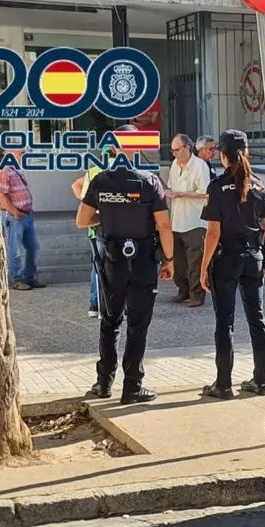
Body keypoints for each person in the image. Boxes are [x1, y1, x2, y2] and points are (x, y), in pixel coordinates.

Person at [76, 125, 176, 405]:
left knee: (110, 321)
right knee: (137, 325)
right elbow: (164, 226)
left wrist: (105, 219)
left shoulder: (100, 180)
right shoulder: (149, 181)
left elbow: (82, 220)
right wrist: (169, 260)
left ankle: (103, 383)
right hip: (143, 260)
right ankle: (132, 386)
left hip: (113, 260)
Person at [199, 129, 265, 399]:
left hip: (227, 259)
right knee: (258, 320)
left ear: (222, 155)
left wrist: (203, 267)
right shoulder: (257, 185)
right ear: (245, 153)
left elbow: (213, 233)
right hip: (253, 257)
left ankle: (223, 384)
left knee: (225, 322)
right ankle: (261, 380)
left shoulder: (218, 187)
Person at [166, 134, 211, 307]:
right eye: (172, 150)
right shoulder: (174, 165)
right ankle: (183, 290)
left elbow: (205, 192)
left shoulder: (200, 166)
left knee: (195, 261)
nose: (174, 154)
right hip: (177, 220)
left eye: (177, 150)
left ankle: (197, 294)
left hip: (195, 220)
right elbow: (172, 186)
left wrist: (181, 194)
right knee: (179, 260)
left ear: (187, 148)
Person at [0, 150, 46, 291]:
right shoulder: (3, 171)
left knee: (33, 247)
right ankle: (17, 280)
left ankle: (29, 277)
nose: (22, 156)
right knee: (15, 250)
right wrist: (15, 212)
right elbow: (1, 196)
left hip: (26, 216)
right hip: (15, 217)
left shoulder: (14, 170)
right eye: (20, 153)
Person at [72, 147, 110, 318]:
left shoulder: (93, 171)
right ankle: (106, 303)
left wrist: (85, 201)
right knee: (110, 264)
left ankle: (95, 304)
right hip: (108, 224)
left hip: (93, 224)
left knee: (97, 264)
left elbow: (76, 185)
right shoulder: (113, 170)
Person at [130, 96, 162, 166]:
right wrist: (147, 120)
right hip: (137, 138)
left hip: (150, 138)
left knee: (153, 166)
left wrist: (137, 119)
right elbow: (131, 122)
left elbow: (153, 120)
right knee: (138, 167)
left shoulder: (154, 100)